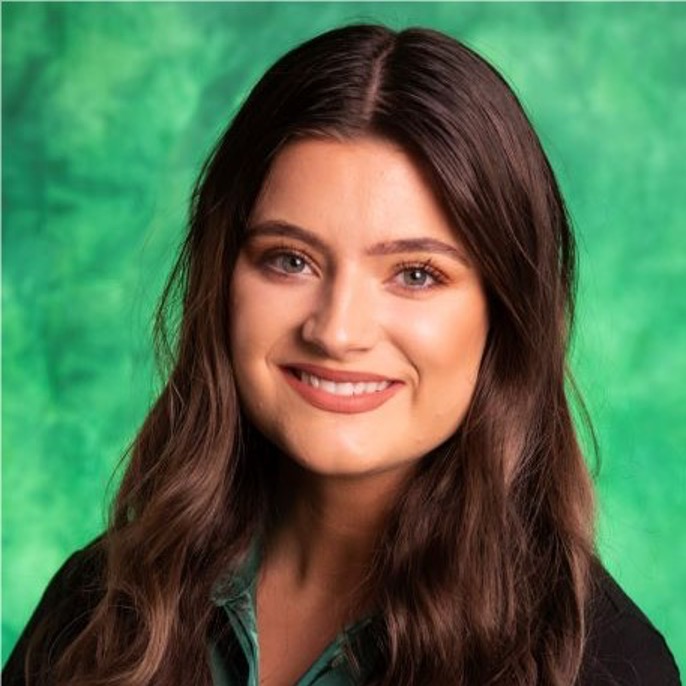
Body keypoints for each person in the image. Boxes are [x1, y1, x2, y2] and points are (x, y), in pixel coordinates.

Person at [4, 23, 680, 686]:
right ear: (223, 283)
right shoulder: (94, 610)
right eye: (289, 259)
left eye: (416, 274)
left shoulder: (597, 666)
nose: (337, 330)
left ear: (505, 317)